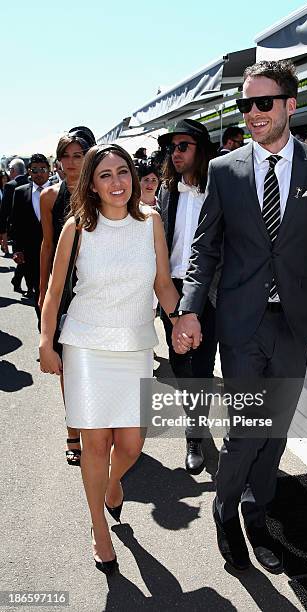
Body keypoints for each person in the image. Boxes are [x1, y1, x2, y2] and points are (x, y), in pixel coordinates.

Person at [172, 60, 307, 573]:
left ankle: (258, 514)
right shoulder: (224, 169)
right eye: (245, 104)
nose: (252, 113)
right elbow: (204, 249)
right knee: (247, 427)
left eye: (263, 102)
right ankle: (227, 509)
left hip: (295, 323)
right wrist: (190, 309)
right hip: (240, 323)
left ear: (290, 105)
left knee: (276, 429)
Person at [39, 143, 179, 574]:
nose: (116, 182)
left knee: (132, 445)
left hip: (135, 345)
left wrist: (180, 319)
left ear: (133, 178)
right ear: (92, 184)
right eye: (105, 175)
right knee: (95, 444)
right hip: (85, 345)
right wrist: (47, 342)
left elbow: (162, 283)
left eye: (123, 172)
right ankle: (99, 528)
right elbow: (55, 291)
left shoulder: (150, 221)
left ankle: (114, 482)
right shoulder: (76, 227)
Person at [157, 118, 220, 475]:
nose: (175, 153)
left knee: (204, 363)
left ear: (201, 150)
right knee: (181, 362)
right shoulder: (167, 191)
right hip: (174, 290)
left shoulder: (221, 188)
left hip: (210, 290)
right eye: (171, 148)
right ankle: (194, 422)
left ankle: (195, 430)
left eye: (183, 146)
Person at [39, 127, 96, 466]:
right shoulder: (49, 197)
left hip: (94, 288)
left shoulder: (102, 191)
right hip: (61, 292)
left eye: (78, 155)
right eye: (65, 157)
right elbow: (47, 245)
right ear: (58, 162)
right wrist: (43, 290)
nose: (71, 163)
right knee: (67, 368)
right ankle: (74, 430)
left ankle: (100, 426)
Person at [8, 154, 51, 322]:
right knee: (37, 292)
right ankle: (43, 326)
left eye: (42, 169)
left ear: (49, 171)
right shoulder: (20, 193)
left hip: (55, 252)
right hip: (31, 255)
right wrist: (17, 249)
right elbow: (15, 223)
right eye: (34, 170)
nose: (39, 173)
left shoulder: (58, 190)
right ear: (28, 172)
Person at [0, 159, 29, 288]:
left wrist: (3, 231)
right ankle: (20, 281)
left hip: (16, 229)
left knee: (23, 256)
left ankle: (21, 282)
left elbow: (4, 211)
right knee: (28, 256)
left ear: (12, 170)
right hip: (31, 227)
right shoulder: (31, 182)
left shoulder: (10, 185)